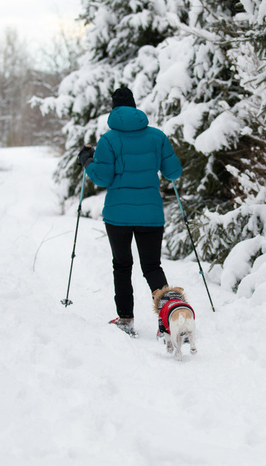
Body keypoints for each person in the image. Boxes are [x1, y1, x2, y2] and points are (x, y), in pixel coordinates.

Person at [78, 86, 182, 337]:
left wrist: (87, 161)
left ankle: (126, 320)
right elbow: (173, 172)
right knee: (152, 266)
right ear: (135, 108)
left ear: (113, 110)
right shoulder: (157, 137)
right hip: (150, 214)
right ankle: (168, 319)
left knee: (122, 266)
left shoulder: (108, 140)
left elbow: (102, 177)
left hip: (118, 215)